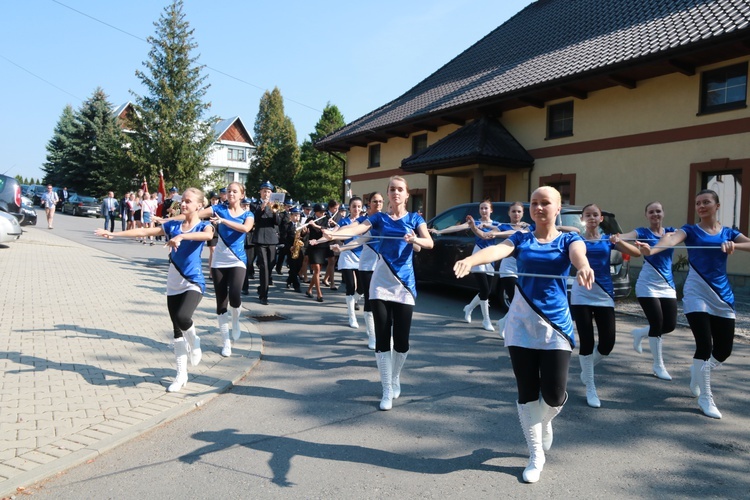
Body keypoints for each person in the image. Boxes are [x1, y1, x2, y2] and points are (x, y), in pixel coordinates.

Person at [453, 186, 594, 484]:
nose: (539, 208)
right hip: (521, 323)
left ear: (557, 209)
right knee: (527, 391)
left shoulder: (570, 238)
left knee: (554, 396)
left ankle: (543, 422)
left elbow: (578, 254)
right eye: (535, 203)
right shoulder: (521, 237)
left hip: (555, 325)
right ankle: (535, 455)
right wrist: (472, 260)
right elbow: (498, 249)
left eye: (546, 203)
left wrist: (582, 267)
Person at [318, 176, 434, 411]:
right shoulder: (379, 218)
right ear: (388, 193)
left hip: (404, 285)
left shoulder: (414, 218)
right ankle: (386, 389)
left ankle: (395, 377)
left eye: (400, 189)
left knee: (401, 341)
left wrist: (415, 239)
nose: (396, 193)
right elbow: (358, 228)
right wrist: (336, 233)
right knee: (383, 337)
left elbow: (429, 242)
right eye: (392, 189)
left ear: (407, 194)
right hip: (380, 283)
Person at [639, 189, 750, 419]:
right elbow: (670, 239)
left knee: (724, 350)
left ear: (717, 206)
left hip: (722, 296)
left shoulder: (729, 232)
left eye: (706, 202)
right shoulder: (689, 230)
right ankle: (705, 397)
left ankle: (698, 372)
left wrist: (734, 246)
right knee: (704, 345)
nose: (701, 206)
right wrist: (653, 249)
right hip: (696, 293)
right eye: (698, 203)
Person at [94, 188, 214, 392]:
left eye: (188, 201)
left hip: (193, 281)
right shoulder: (174, 225)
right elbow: (143, 231)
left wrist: (182, 238)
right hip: (173, 282)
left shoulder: (205, 225)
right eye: (182, 201)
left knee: (184, 317)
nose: (183, 204)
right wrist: (114, 233)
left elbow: (206, 235)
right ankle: (180, 375)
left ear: (199, 206)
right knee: (177, 331)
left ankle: (195, 341)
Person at [570, 203, 640, 408]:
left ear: (601, 219)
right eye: (588, 215)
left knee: (608, 343)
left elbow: (636, 253)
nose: (591, 218)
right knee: (587, 340)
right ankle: (590, 386)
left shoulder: (608, 239)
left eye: (595, 215)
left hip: (603, 294)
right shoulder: (576, 240)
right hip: (582, 293)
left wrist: (619, 240)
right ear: (583, 219)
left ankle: (587, 369)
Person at [620, 202, 677, 380]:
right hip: (647, 285)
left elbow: (687, 237)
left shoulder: (671, 232)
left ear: (663, 213)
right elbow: (626, 236)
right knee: (658, 323)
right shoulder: (642, 232)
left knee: (670, 325)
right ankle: (658, 365)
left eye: (658, 211)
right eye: (651, 212)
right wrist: (615, 238)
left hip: (667, 285)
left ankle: (640, 333)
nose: (655, 214)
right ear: (646, 215)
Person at [430, 199, 504, 332]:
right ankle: (486, 320)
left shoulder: (497, 224)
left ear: (491, 210)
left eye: (486, 208)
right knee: (485, 290)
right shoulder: (473, 222)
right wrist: (440, 232)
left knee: (485, 291)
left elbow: (500, 232)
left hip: (490, 258)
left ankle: (469, 308)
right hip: (477, 256)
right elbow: (457, 227)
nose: (483, 211)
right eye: (481, 208)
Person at [331, 196, 365, 329]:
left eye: (358, 206)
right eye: (354, 206)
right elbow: (333, 234)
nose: (356, 209)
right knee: (350, 286)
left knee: (362, 287)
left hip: (362, 256)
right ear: (349, 208)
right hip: (347, 255)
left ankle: (352, 301)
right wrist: (320, 239)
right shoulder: (344, 222)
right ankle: (352, 316)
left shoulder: (365, 222)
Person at [252, 181, 281, 305]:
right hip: (260, 238)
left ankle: (261, 287)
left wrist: (274, 211)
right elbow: (255, 219)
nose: (266, 193)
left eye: (268, 191)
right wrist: (263, 207)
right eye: (264, 191)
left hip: (272, 239)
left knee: (271, 264)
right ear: (260, 192)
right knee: (263, 266)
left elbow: (278, 222)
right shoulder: (255, 204)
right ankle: (264, 295)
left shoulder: (275, 205)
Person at [304, 203, 329, 302]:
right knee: (317, 270)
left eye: (323, 212)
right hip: (313, 246)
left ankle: (309, 290)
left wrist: (315, 225)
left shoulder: (325, 219)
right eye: (320, 212)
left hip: (322, 246)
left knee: (317, 270)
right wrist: (305, 230)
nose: (322, 214)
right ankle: (319, 293)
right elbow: (304, 232)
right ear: (316, 212)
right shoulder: (310, 219)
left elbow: (325, 230)